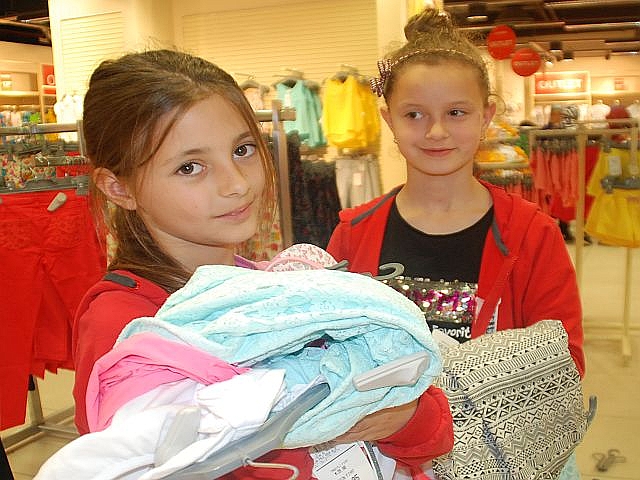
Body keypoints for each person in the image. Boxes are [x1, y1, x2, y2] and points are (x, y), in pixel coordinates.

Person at [72, 49, 453, 479]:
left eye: (243, 149)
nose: (236, 184)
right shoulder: (128, 327)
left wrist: (402, 416)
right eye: (190, 167)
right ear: (118, 188)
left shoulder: (277, 285)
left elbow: (433, 434)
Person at [327, 6, 585, 394]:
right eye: (414, 115)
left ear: (486, 117)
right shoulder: (353, 234)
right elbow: (327, 352)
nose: (436, 131)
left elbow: (565, 363)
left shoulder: (532, 235)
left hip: (494, 431)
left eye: (456, 112)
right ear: (389, 120)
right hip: (380, 432)